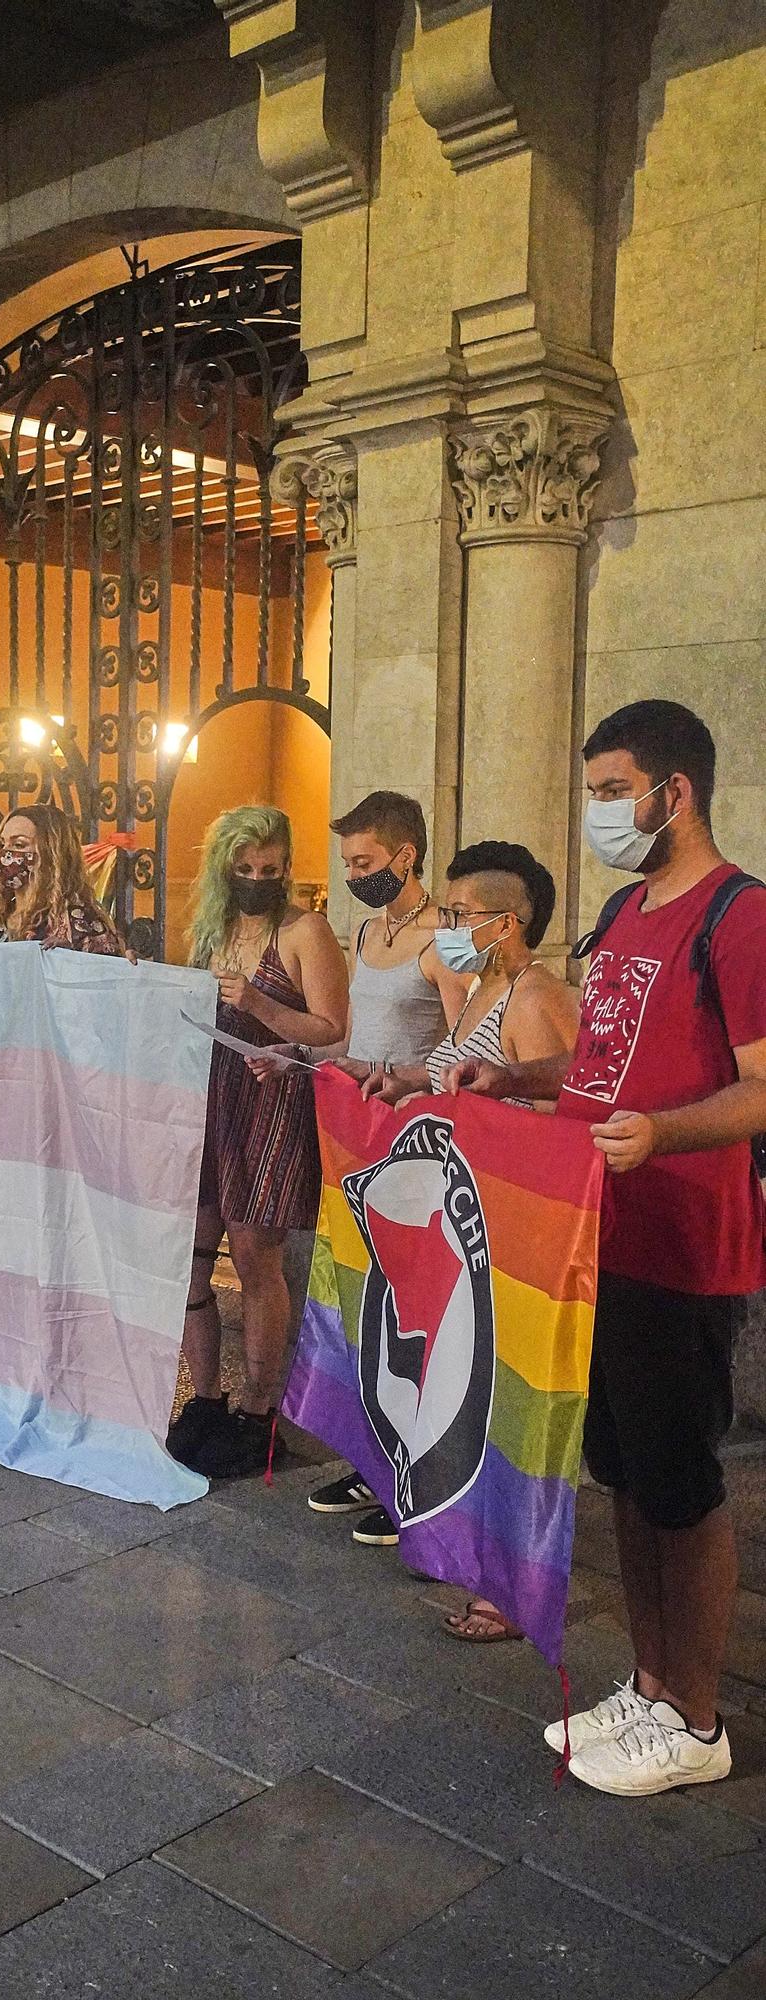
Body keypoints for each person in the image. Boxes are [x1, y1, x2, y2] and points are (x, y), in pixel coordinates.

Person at [448, 702, 766, 1793]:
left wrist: (663, 1133)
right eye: (589, 792)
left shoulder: (738, 916)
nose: (595, 813)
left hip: (683, 1240)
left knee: (679, 1478)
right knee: (621, 1468)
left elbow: (759, 1087)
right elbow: (599, 1065)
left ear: (671, 792)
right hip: (599, 1233)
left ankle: (696, 1711)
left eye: (608, 790)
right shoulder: (626, 908)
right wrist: (516, 1079)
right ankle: (645, 1677)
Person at [359, 838, 579, 1637]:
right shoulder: (487, 988)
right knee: (470, 1400)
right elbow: (456, 1069)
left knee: (511, 1408)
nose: (445, 925)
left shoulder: (538, 996)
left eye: (458, 914)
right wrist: (407, 1082)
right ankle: (471, 1546)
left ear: (506, 922)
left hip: (515, 1233)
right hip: (468, 1226)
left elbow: (570, 1111)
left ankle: (514, 1581)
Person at [274, 792, 466, 1547]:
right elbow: (353, 1030)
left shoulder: (445, 937)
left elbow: (464, 1045)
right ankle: (371, 1456)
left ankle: (412, 1476)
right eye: (347, 861)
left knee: (407, 1312)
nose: (353, 873)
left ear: (405, 855)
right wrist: (302, 1058)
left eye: (364, 861)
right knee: (359, 1302)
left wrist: (390, 1071)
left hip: (415, 1143)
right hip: (357, 1136)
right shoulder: (364, 928)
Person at [168, 805, 348, 1480]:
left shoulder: (305, 930)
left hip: (272, 1098)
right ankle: (207, 1398)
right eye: (243, 868)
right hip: (212, 1097)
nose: (255, 879)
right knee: (192, 1252)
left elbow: (331, 1027)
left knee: (254, 1257)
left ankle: (257, 1410)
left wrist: (261, 1005)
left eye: (269, 869)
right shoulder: (213, 927)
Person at [0, 804, 127, 954]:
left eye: (19, 845)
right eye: (1, 845)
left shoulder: (80, 922)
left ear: (51, 853)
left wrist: (69, 959)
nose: (5, 854)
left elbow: (105, 976)